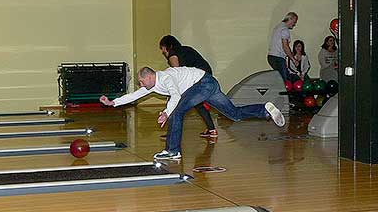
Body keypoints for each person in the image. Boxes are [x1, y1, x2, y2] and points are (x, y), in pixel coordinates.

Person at [100, 66, 285, 160]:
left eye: (141, 81)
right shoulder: (153, 84)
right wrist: (112, 102)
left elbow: (175, 95)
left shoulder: (166, 77)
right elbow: (135, 95)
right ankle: (264, 109)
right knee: (234, 114)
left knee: (177, 111)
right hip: (209, 84)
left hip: (203, 84)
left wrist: (165, 113)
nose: (141, 85)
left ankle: (173, 151)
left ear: (149, 76)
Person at [159, 35, 217, 138]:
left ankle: (172, 133)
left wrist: (172, 91)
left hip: (197, 78)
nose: (163, 51)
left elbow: (176, 71)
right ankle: (212, 130)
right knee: (198, 103)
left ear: (168, 46)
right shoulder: (186, 49)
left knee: (175, 102)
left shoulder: (173, 52)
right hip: (206, 75)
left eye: (163, 48)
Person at [267, 12, 299, 81]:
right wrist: (294, 60)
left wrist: (289, 53)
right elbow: (285, 46)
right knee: (284, 81)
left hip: (271, 57)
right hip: (278, 58)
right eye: (294, 22)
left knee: (283, 78)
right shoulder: (285, 30)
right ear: (290, 18)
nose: (294, 24)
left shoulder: (278, 27)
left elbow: (279, 46)